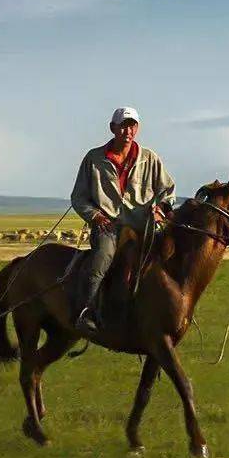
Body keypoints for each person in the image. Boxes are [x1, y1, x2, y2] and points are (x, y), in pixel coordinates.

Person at [66, 107, 176, 332]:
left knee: (168, 255)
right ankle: (86, 312)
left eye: (133, 125)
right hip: (108, 226)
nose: (128, 130)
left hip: (142, 225)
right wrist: (94, 215)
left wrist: (161, 209)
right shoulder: (94, 158)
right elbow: (78, 197)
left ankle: (171, 308)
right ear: (112, 128)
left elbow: (167, 190)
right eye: (123, 125)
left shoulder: (149, 158)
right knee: (102, 257)